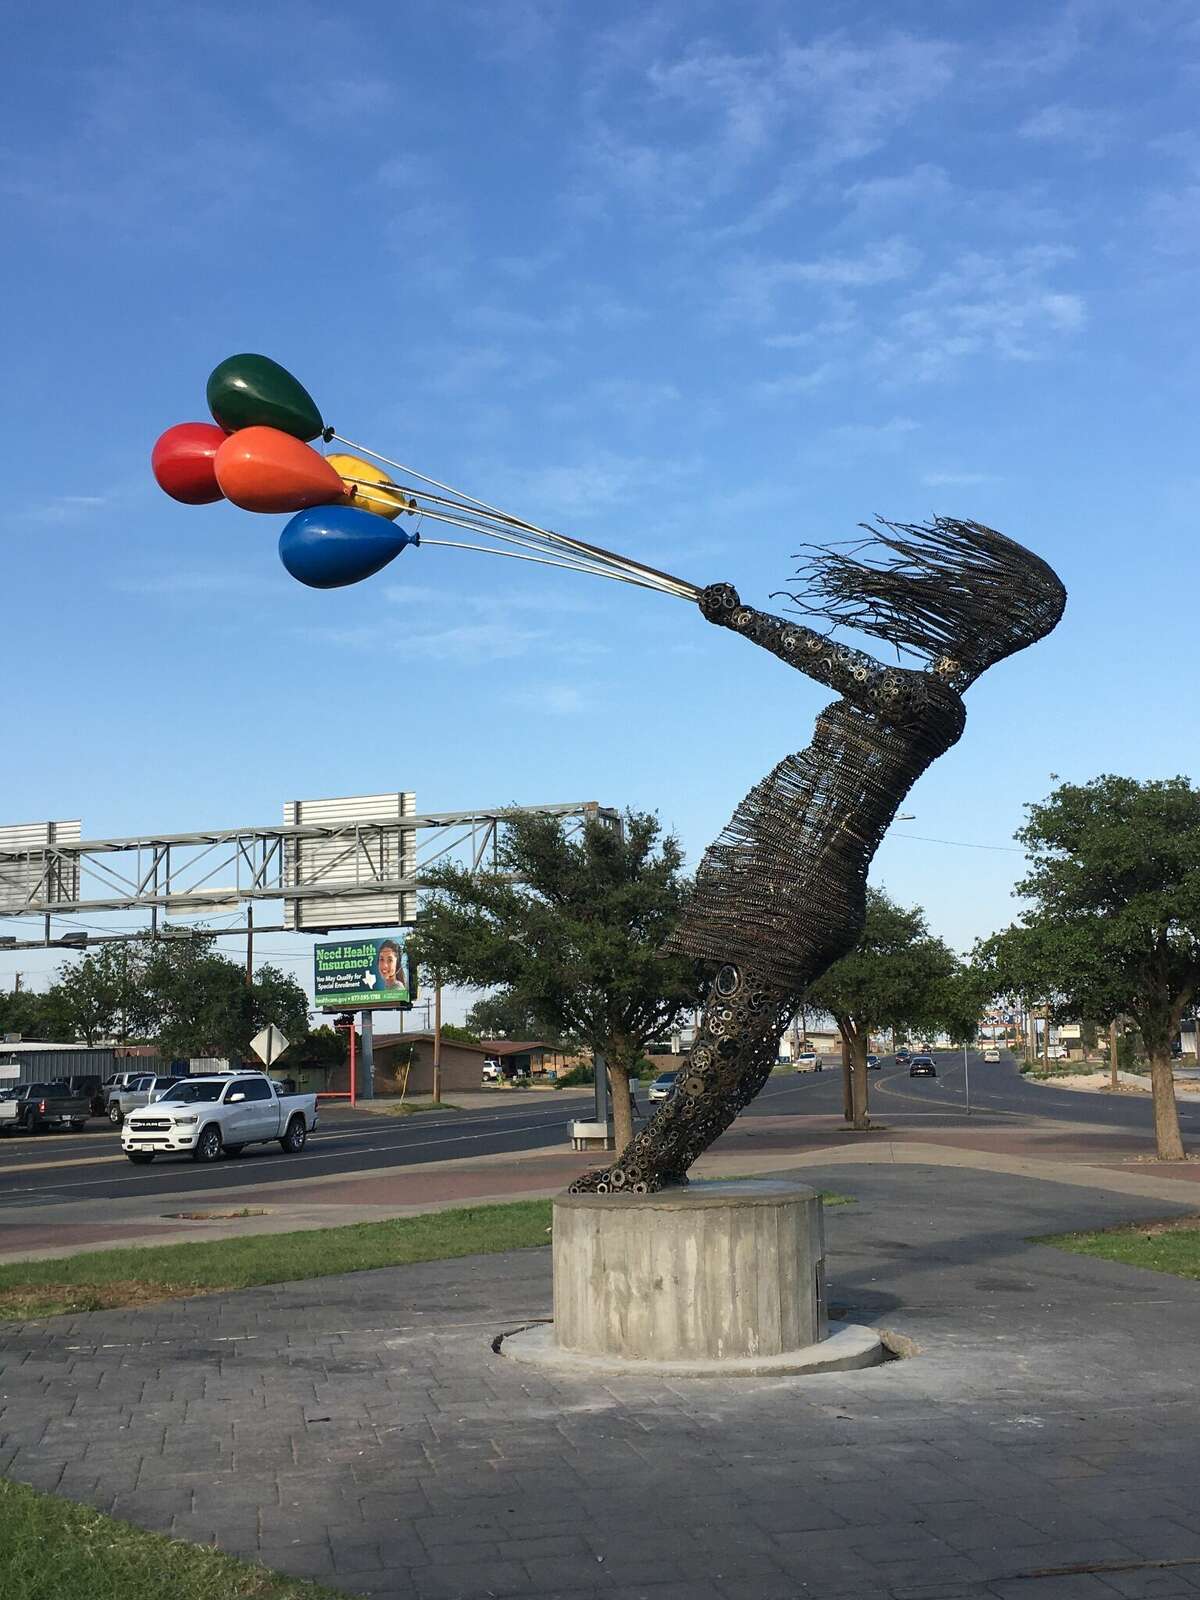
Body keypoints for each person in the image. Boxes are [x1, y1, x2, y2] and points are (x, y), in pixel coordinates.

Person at [572, 517, 1065, 1195]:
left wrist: (744, 619)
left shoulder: (927, 701)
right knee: (736, 1031)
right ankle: (660, 1162)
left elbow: (837, 664)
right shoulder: (929, 698)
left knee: (730, 1033)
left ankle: (648, 1165)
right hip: (802, 883)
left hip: (807, 893)